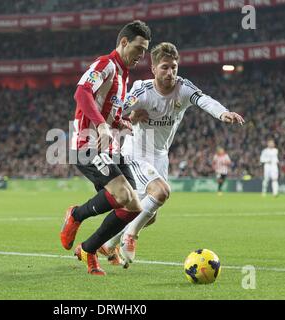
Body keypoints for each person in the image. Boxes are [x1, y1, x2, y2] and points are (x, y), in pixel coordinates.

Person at [101, 42, 245, 266]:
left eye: (174, 67)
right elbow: (114, 111)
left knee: (150, 215)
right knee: (160, 194)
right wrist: (129, 119)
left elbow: (203, 99)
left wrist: (223, 113)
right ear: (154, 69)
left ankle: (109, 244)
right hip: (138, 151)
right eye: (165, 67)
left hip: (160, 155)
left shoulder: (183, 88)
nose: (170, 73)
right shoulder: (142, 91)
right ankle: (130, 236)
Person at [59, 20, 151, 275]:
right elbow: (82, 93)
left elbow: (109, 111)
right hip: (87, 143)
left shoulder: (123, 76)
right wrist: (101, 126)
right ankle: (76, 215)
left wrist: (123, 121)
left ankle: (89, 249)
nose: (141, 56)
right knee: (122, 196)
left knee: (134, 207)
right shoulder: (105, 64)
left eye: (145, 51)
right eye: (139, 48)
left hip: (110, 147)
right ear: (123, 42)